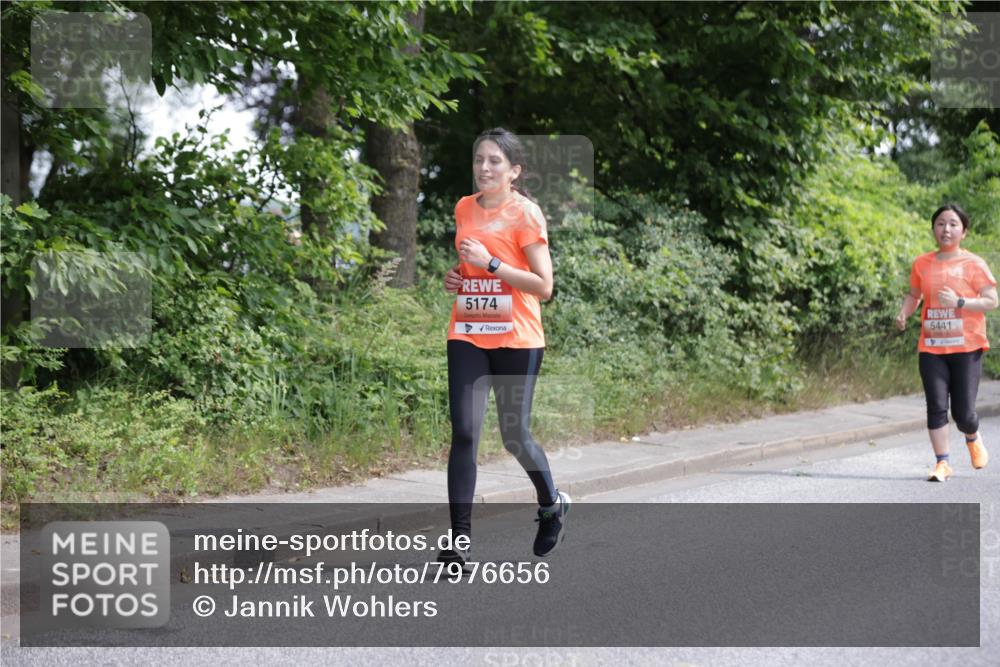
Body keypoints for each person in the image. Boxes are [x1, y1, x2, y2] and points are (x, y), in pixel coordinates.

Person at [437, 127, 569, 565]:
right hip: (470, 329)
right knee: (465, 432)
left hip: (517, 335)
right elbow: (466, 266)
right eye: (479, 160)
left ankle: (551, 503)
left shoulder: (526, 214)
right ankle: (459, 541)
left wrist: (491, 264)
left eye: (494, 161)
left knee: (514, 435)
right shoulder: (463, 208)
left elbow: (544, 286)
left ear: (514, 171)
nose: (484, 168)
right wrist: (457, 277)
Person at [895, 203, 998, 482]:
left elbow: (992, 300)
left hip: (967, 347)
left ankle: (972, 435)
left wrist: (961, 302)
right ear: (933, 229)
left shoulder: (974, 264)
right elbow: (914, 295)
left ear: (963, 231)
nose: (946, 229)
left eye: (953, 224)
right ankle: (942, 463)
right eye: (940, 223)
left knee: (963, 413)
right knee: (936, 406)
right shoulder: (922, 263)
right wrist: (904, 312)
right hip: (931, 347)